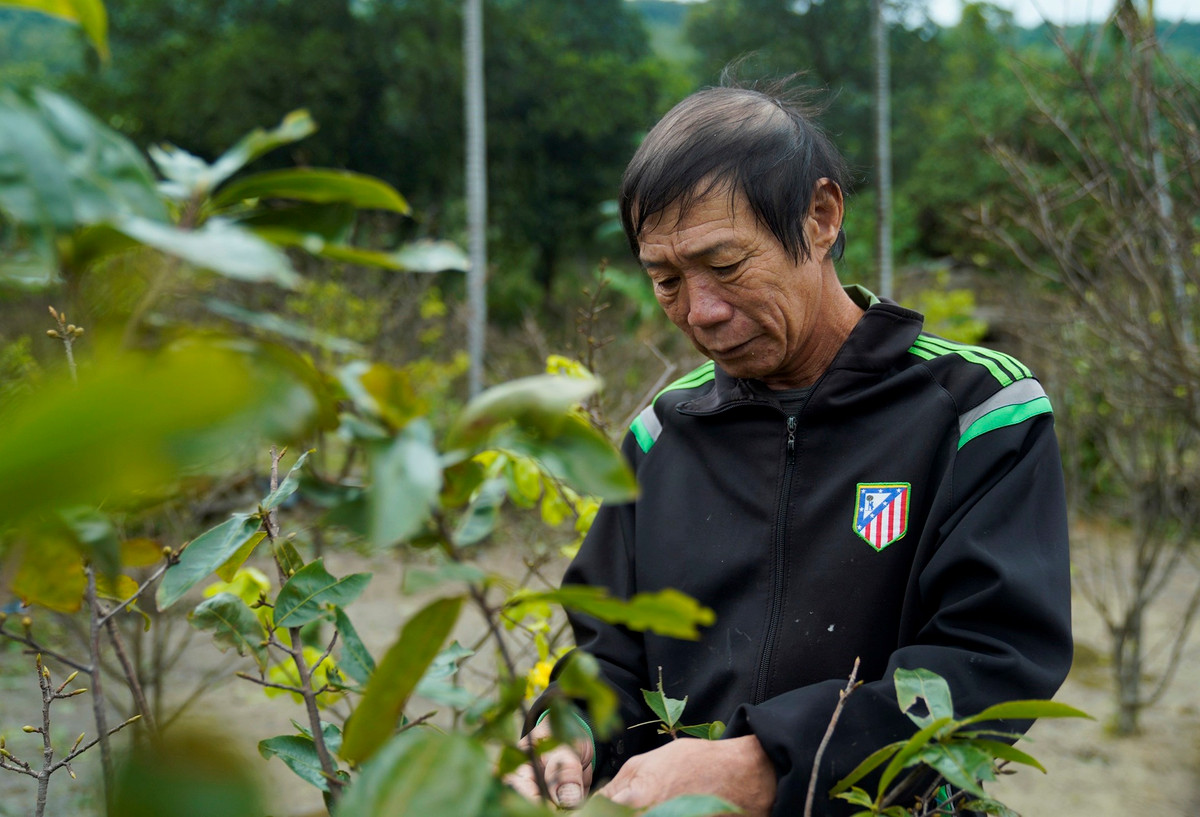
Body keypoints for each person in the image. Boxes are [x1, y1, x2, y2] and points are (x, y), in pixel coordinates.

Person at [507, 78, 1073, 817]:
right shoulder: (662, 436)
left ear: (819, 217)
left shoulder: (975, 411)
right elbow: (608, 653)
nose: (700, 311)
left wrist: (767, 763)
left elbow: (991, 660)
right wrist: (565, 729)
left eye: (727, 264)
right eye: (666, 279)